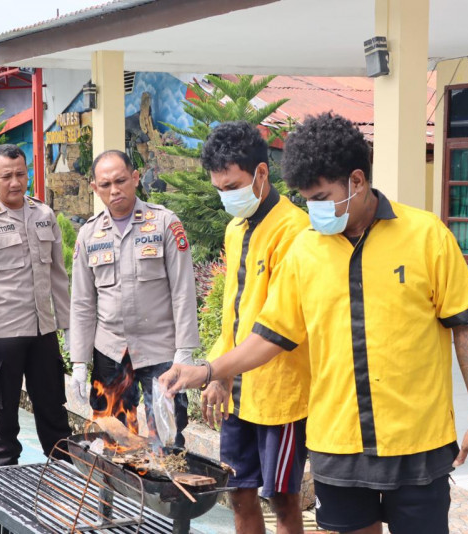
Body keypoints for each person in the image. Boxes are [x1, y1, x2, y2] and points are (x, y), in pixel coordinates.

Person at [161, 113, 468, 534]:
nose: (314, 210)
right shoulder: (306, 251)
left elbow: (466, 326)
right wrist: (210, 370)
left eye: (321, 197)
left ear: (357, 180)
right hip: (336, 442)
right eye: (306, 199)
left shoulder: (427, 236)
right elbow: (272, 335)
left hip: (417, 442)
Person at [200, 121, 311, 534]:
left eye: (233, 186)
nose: (226, 196)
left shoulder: (295, 230)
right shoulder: (236, 229)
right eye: (219, 188)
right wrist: (220, 372)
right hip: (237, 393)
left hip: (278, 392)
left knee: (282, 499)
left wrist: (219, 369)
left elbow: (279, 325)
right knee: (238, 490)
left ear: (261, 173)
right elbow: (234, 310)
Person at [69, 149, 199, 447]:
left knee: (166, 439)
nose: (114, 190)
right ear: (95, 188)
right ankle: (111, 493)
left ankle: (162, 494)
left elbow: (183, 291)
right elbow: (82, 303)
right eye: (105, 185)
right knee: (112, 437)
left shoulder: (164, 223)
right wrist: (78, 361)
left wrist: (185, 350)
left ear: (136, 178)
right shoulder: (89, 234)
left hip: (160, 350)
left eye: (121, 180)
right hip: (110, 351)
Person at [0, 144, 72, 464]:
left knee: (53, 410)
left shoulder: (44, 215)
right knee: (4, 416)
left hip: (42, 332)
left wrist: (68, 326)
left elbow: (58, 276)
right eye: (6, 176)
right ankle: (6, 479)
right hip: (1, 335)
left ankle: (63, 475)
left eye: (21, 174)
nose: (15, 182)